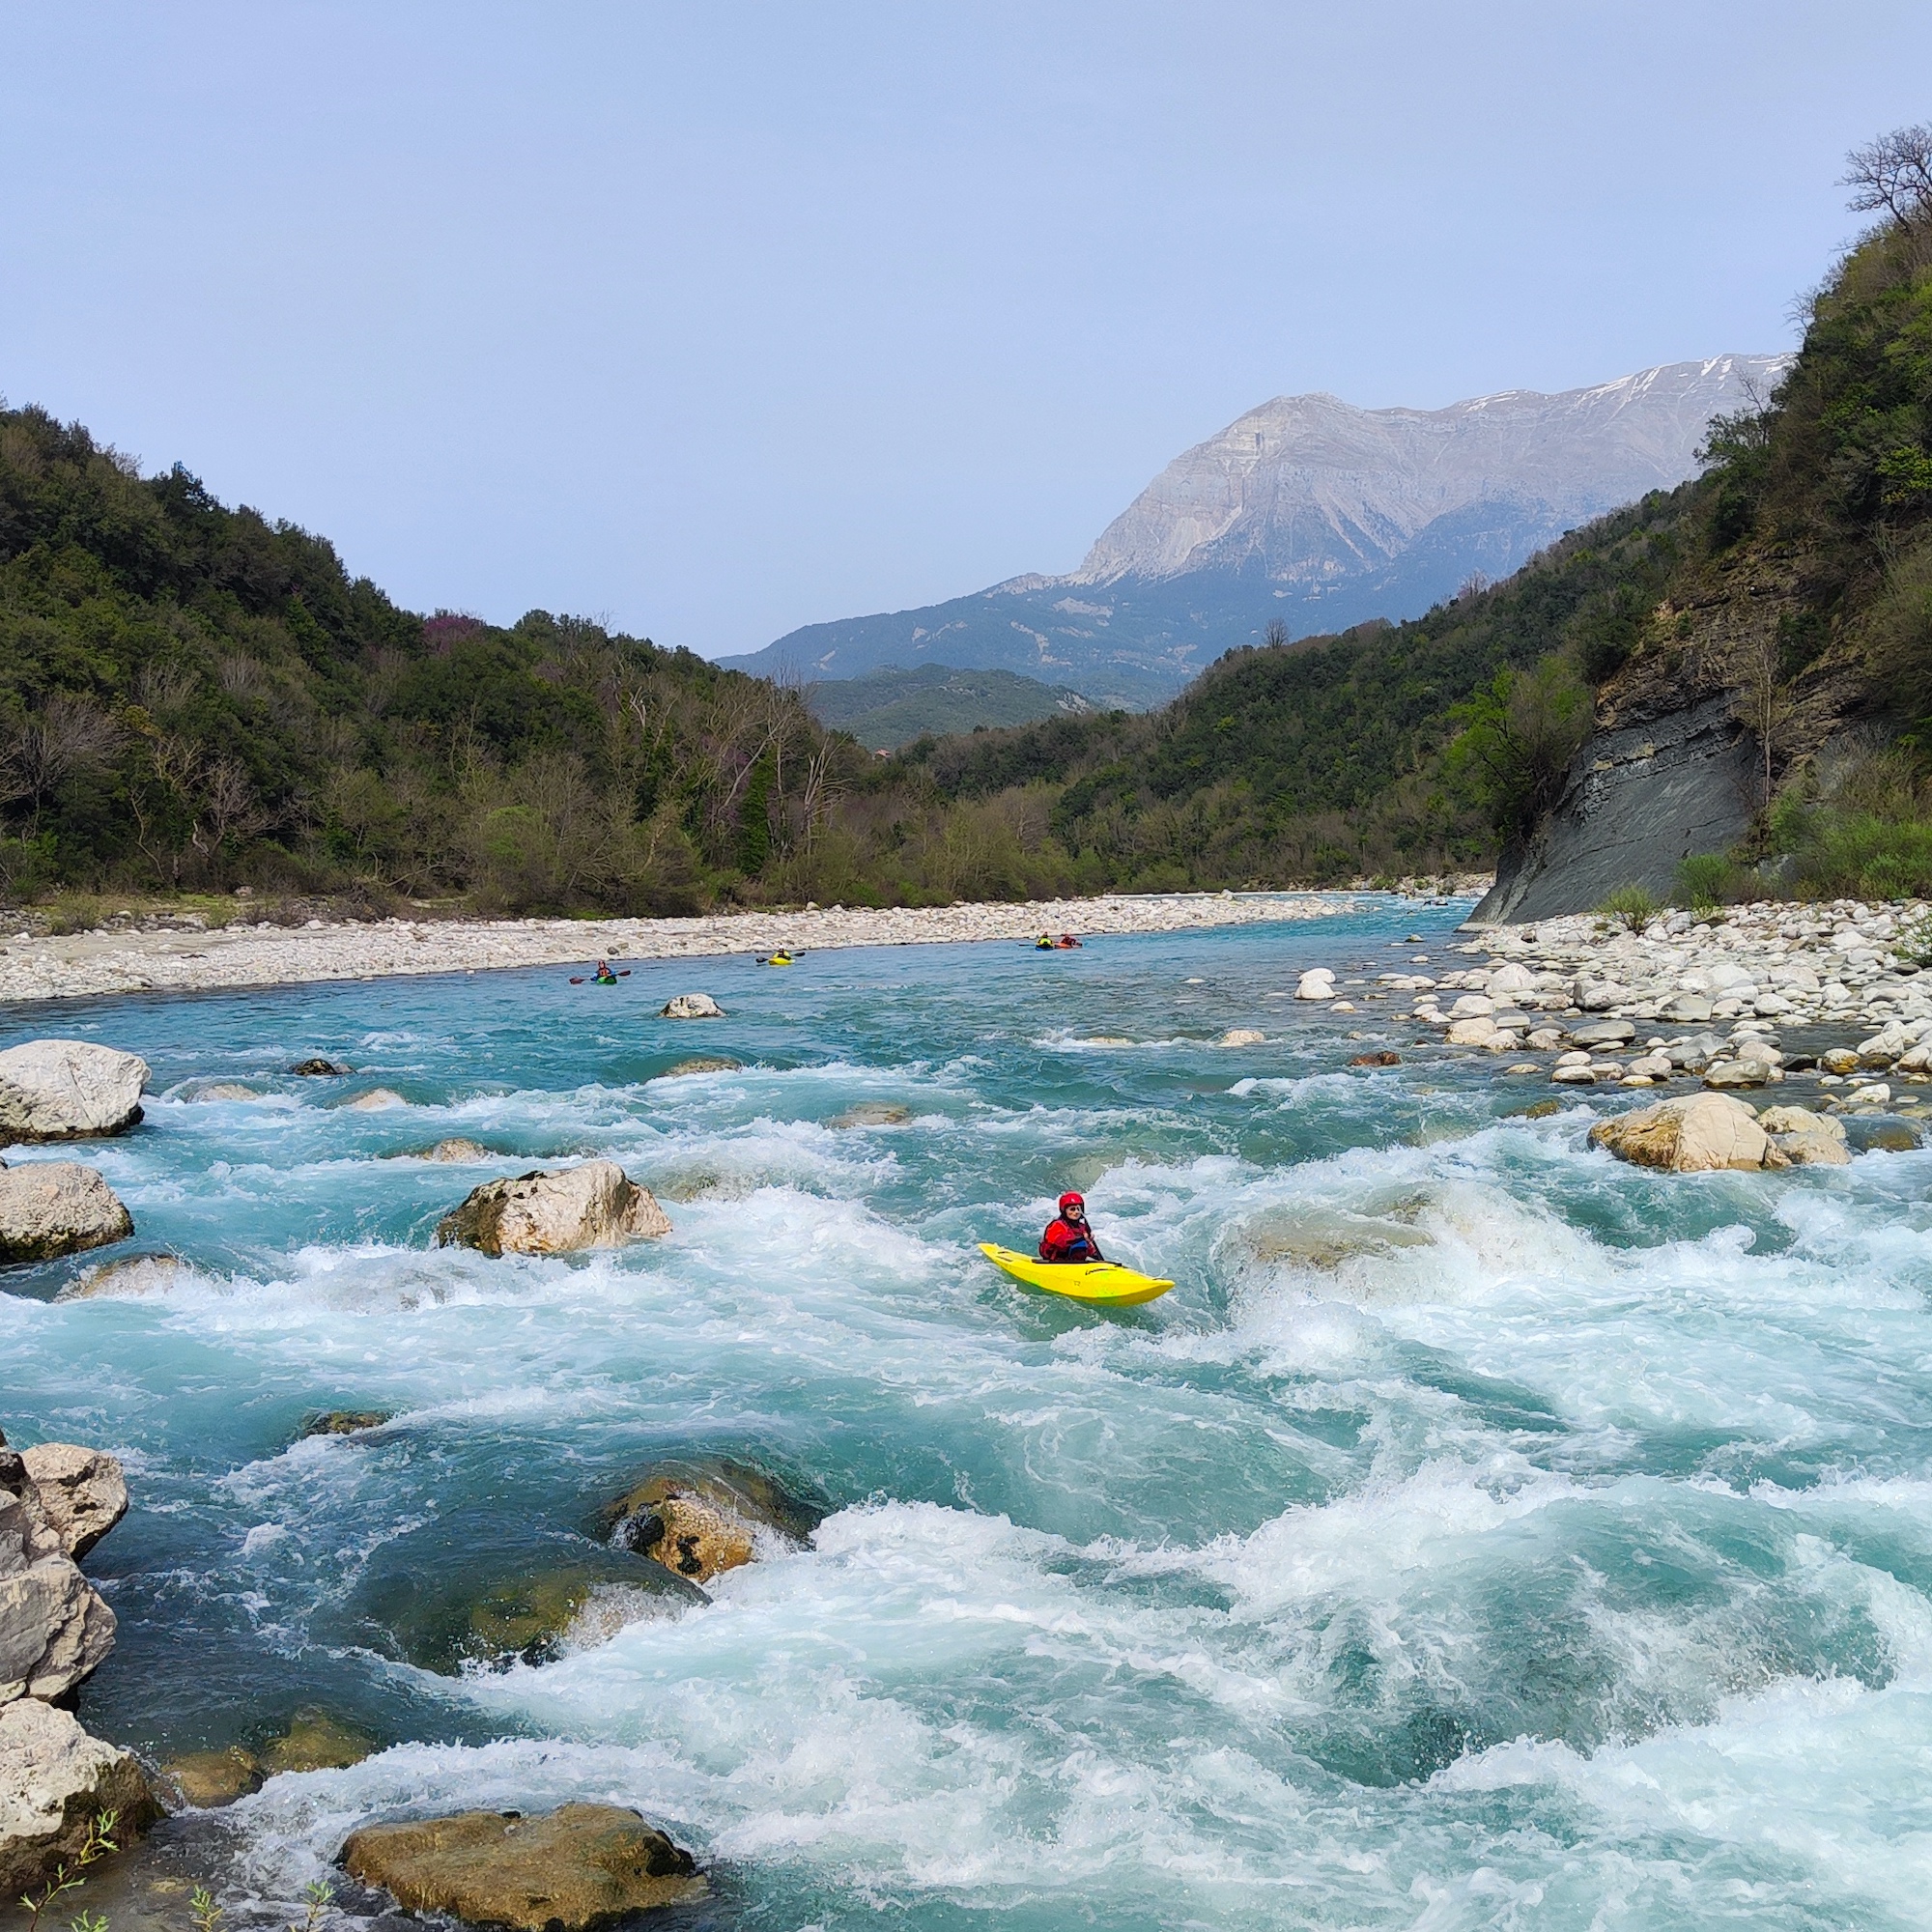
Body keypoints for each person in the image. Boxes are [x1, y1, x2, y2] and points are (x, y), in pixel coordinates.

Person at [1038, 1191, 1104, 1264]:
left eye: (1078, 1209)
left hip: (1075, 1263)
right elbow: (1061, 1243)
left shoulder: (1082, 1227)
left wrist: (1098, 1257)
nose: (1076, 1212)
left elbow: (1089, 1249)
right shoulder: (1057, 1225)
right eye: (1072, 1209)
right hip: (1056, 1263)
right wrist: (1082, 1237)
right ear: (1064, 1211)